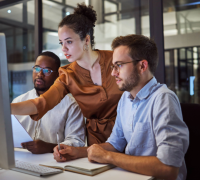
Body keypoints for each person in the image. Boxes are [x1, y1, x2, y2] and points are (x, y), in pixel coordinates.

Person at [53, 35, 189, 180]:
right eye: (113, 66)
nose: (113, 73)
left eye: (119, 65)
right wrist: (78, 152)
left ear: (142, 66)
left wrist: (108, 156)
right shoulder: (125, 98)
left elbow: (168, 168)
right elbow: (115, 143)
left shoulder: (163, 99)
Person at [11, 3, 123, 146]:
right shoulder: (67, 74)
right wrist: (5, 108)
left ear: (86, 40)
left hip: (128, 134)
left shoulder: (115, 60)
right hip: (97, 142)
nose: (63, 49)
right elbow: (41, 103)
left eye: (69, 42)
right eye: (61, 43)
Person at [12, 51, 85, 154]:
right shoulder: (19, 101)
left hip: (54, 162)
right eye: (37, 68)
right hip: (20, 158)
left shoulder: (71, 105)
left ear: (57, 75)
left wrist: (49, 147)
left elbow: (77, 142)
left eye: (47, 71)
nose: (40, 74)